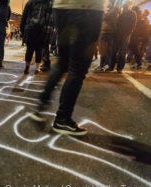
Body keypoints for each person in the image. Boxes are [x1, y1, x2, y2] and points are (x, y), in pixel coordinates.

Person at [29, 0, 106, 136]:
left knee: (62, 62)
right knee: (78, 68)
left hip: (62, 9)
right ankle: (62, 119)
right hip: (87, 10)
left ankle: (41, 106)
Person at [20, 0, 52, 75]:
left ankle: (27, 67)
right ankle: (37, 68)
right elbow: (48, 19)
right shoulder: (47, 3)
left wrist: (22, 29)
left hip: (30, 28)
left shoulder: (30, 2)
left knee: (29, 49)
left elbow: (24, 16)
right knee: (39, 50)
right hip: (41, 30)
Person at [109, 1, 137, 73]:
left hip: (125, 35)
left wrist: (128, 33)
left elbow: (133, 25)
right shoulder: (121, 12)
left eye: (127, 4)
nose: (126, 6)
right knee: (114, 51)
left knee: (122, 52)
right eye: (125, 4)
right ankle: (111, 67)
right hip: (117, 35)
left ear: (130, 5)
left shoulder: (132, 14)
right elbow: (116, 23)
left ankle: (119, 68)